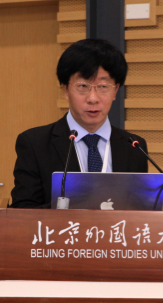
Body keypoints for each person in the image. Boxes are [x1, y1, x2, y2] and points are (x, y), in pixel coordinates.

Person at [10, 39, 148, 208]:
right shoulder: (35, 143)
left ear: (115, 90)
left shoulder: (134, 146)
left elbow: (141, 209)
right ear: (66, 90)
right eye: (82, 86)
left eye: (103, 86)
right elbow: (23, 211)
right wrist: (82, 208)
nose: (93, 98)